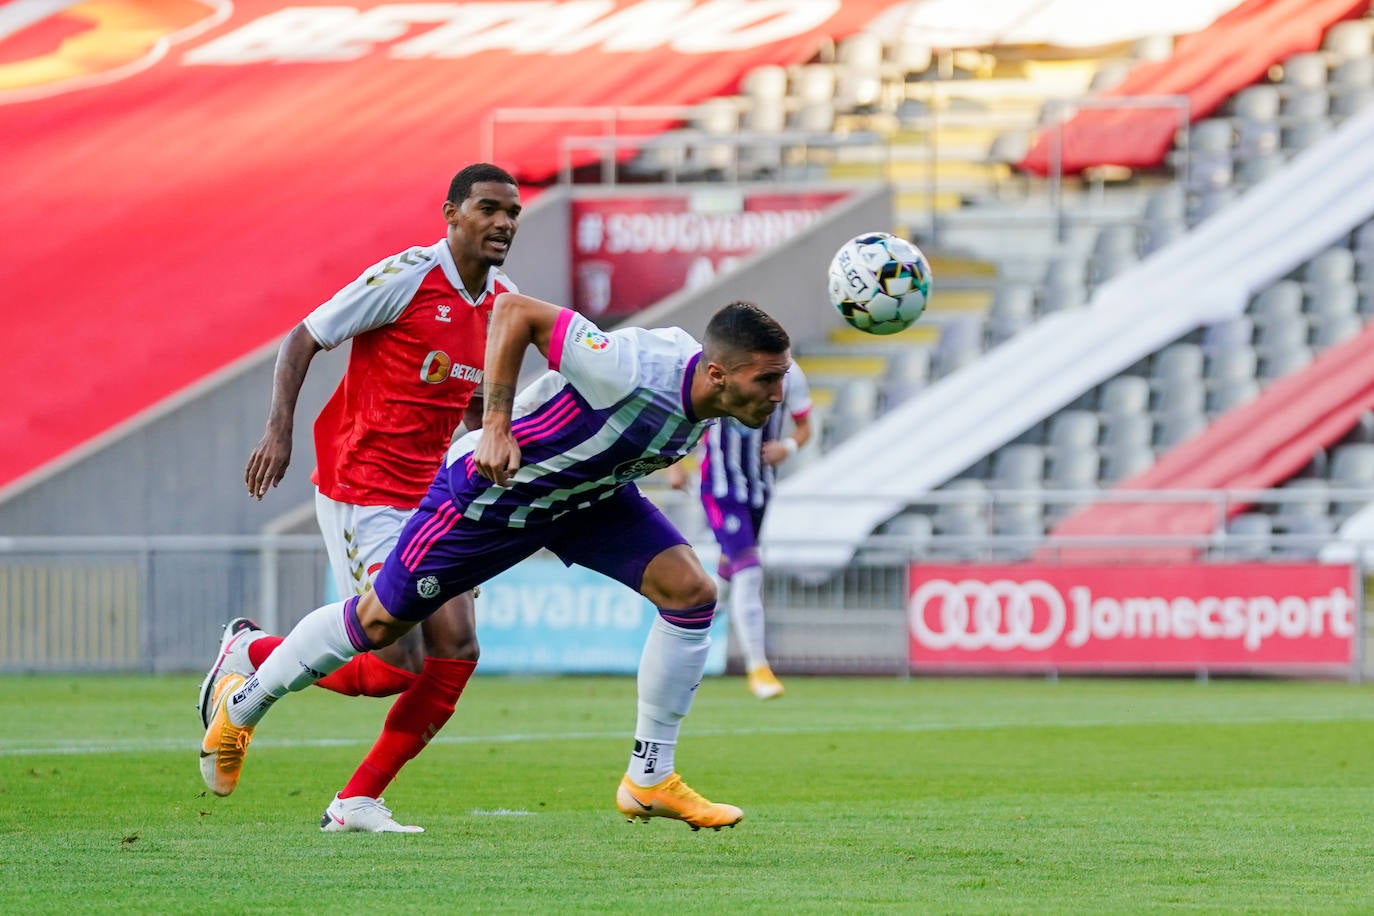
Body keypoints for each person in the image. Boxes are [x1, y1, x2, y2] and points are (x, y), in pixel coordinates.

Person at [200, 293, 793, 831]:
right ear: (718, 373)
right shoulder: (628, 368)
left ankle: (650, 778)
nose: (777, 394)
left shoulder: (714, 395)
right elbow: (516, 314)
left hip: (584, 499)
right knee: (380, 625)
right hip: (491, 496)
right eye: (768, 380)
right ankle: (245, 701)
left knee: (691, 594)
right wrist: (494, 428)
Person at [197, 163, 522, 834]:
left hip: (432, 497)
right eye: (488, 208)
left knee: (457, 648)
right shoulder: (407, 277)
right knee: (392, 663)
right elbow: (306, 335)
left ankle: (357, 800)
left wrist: (483, 464)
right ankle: (251, 659)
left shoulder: (504, 303)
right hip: (363, 486)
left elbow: (468, 404)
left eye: (511, 212)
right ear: (451, 213)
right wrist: (279, 430)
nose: (503, 222)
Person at [667, 361, 811, 699]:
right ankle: (758, 668)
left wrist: (787, 447)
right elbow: (684, 414)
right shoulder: (724, 367)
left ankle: (670, 644)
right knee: (749, 571)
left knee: (725, 588)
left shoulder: (793, 376)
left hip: (759, 491)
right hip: (720, 488)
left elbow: (805, 427)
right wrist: (676, 464)